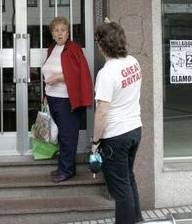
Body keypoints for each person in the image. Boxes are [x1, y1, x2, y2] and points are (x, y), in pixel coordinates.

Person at [91, 21, 144, 224]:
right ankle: (136, 220)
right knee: (128, 179)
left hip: (115, 137)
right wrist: (114, 26)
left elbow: (102, 112)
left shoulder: (106, 74)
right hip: (134, 130)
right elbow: (118, 38)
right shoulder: (133, 62)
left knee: (120, 189)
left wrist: (95, 142)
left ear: (102, 46)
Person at [42, 16, 93, 182]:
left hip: (68, 100)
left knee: (67, 136)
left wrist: (58, 78)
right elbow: (48, 73)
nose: (59, 33)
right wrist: (45, 95)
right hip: (53, 98)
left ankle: (68, 170)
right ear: (52, 34)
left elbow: (80, 74)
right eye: (56, 31)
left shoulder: (74, 49)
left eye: (63, 30)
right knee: (61, 136)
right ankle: (62, 167)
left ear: (68, 32)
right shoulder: (52, 49)